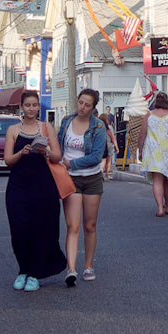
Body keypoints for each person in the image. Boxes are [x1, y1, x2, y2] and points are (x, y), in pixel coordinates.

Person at [2, 90, 67, 291]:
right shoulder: (13, 130)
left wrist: (45, 151)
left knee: (43, 229)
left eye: (34, 105)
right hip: (18, 187)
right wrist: (21, 152)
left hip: (43, 187)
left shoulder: (46, 128)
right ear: (21, 107)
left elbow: (57, 156)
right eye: (27, 105)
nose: (31, 109)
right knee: (19, 229)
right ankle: (23, 270)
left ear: (39, 106)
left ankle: (35, 273)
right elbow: (8, 160)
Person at [59, 88, 112, 283]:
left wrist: (71, 163)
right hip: (70, 179)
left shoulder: (98, 127)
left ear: (93, 107)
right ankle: (71, 269)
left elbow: (96, 157)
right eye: (80, 102)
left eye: (87, 104)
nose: (82, 107)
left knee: (89, 225)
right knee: (72, 226)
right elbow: (58, 146)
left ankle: (88, 265)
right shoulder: (66, 122)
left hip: (91, 178)